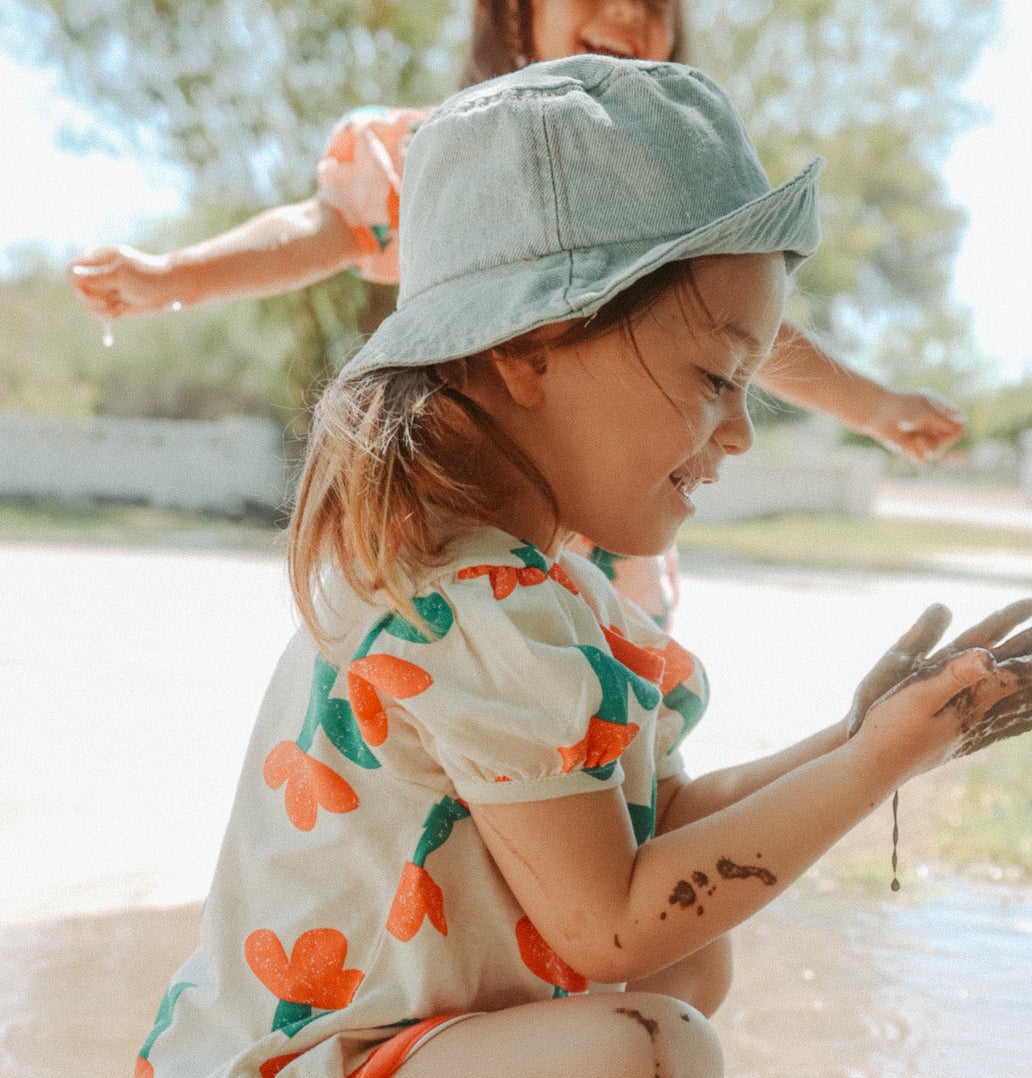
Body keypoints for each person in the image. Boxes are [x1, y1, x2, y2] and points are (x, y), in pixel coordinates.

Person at [132, 57, 1032, 1078]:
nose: (738, 432)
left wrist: (866, 738)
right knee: (652, 1063)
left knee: (683, 979)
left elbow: (645, 845)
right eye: (716, 377)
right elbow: (600, 924)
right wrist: (869, 772)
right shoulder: (473, 601)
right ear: (531, 346)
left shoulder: (525, 578)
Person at [67, 0, 963, 620]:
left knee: (616, 725)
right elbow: (328, 225)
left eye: (654, 1)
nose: (631, 13)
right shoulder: (446, 158)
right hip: (483, 508)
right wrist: (173, 273)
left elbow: (742, 338)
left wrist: (874, 407)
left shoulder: (668, 194)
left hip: (616, 542)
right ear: (512, 12)